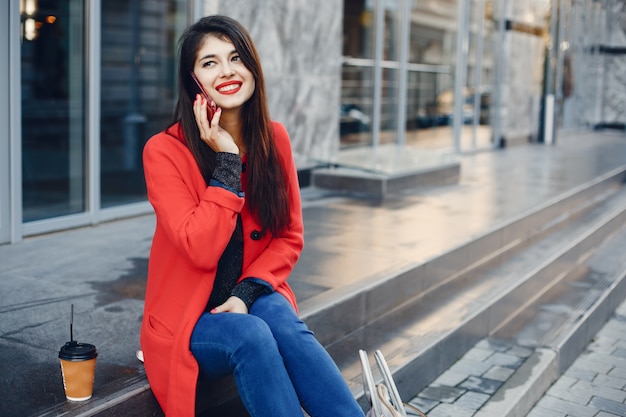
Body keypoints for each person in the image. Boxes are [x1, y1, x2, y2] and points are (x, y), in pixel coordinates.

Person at [140, 15, 365, 417]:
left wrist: (245, 295)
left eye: (235, 58)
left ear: (252, 68)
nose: (226, 71)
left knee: (278, 317)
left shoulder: (273, 138)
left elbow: (288, 236)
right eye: (209, 63)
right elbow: (200, 249)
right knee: (252, 336)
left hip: (245, 297)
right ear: (193, 80)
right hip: (192, 320)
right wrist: (227, 160)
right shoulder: (163, 151)